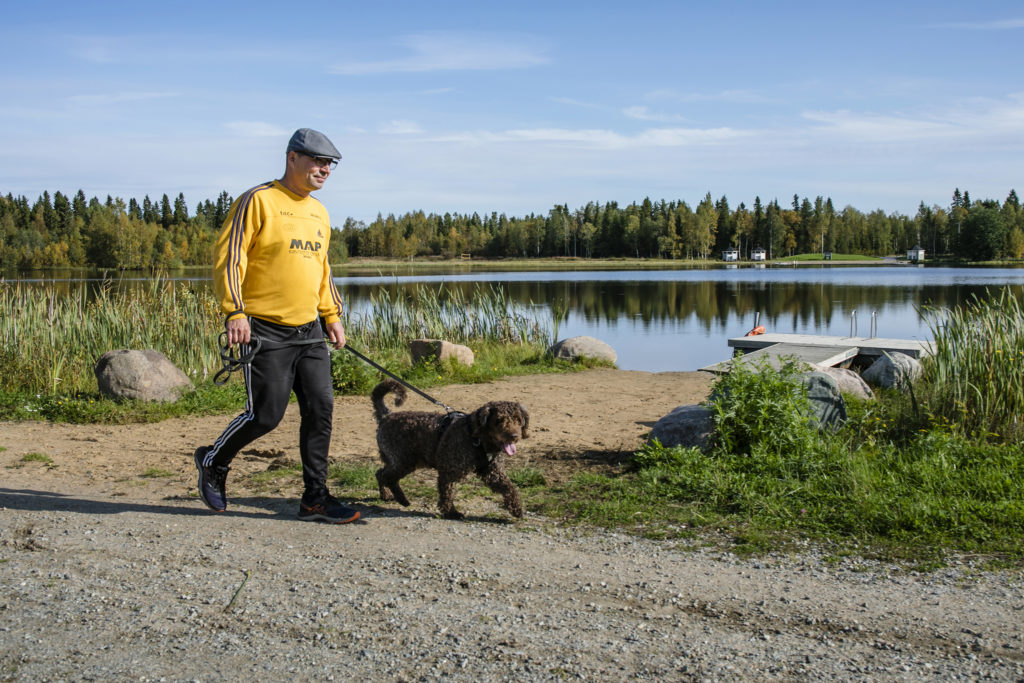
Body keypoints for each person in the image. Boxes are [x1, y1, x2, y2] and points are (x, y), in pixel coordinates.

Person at [193, 128, 359, 524]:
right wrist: (235, 312)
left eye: (329, 164)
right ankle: (213, 462)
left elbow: (322, 268)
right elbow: (230, 258)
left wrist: (332, 314)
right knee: (266, 415)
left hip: (310, 330)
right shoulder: (259, 201)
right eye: (318, 161)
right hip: (265, 330)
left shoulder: (319, 212)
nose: (325, 169)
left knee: (320, 411)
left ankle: (315, 499)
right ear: (292, 158)